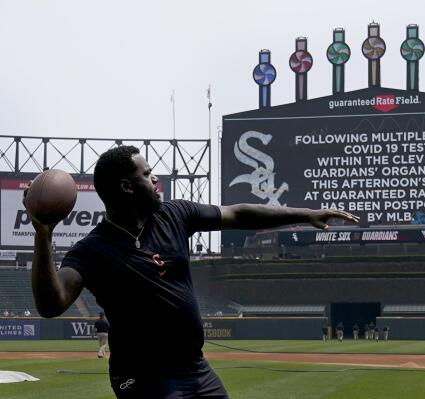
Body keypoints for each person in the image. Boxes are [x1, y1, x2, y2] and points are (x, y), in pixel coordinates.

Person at [27, 146, 359, 399]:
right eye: (147, 174)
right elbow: (51, 304)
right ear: (127, 187)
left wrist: (305, 214)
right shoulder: (92, 250)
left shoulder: (175, 214)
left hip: (194, 366)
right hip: (144, 376)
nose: (156, 179)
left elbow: (238, 213)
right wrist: (43, 234)